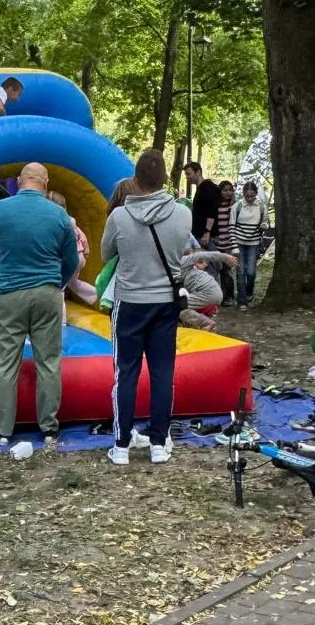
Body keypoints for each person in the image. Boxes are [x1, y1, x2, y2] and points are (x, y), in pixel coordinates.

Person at [0, 162, 79, 445]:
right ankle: (49, 429)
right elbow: (71, 260)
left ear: (20, 181)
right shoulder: (59, 214)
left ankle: (3, 432)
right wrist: (57, 283)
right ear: (45, 182)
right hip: (47, 293)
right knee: (49, 362)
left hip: (9, 293)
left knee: (7, 363)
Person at [100, 149, 191, 466]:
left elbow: (106, 254)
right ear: (165, 178)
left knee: (125, 373)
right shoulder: (183, 214)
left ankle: (121, 445)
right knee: (163, 374)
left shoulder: (119, 217)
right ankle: (158, 443)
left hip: (129, 302)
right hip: (165, 302)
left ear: (135, 179)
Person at [48, 191, 97, 307]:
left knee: (58, 286)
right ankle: (96, 293)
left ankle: (61, 316)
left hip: (69, 257)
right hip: (80, 256)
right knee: (72, 282)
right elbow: (83, 239)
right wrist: (85, 254)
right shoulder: (73, 224)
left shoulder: (57, 223)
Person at [232, 181, 269, 308]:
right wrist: (234, 246)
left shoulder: (261, 206)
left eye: (252, 196)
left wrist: (264, 226)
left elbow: (265, 221)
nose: (249, 199)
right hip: (239, 242)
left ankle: (249, 292)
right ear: (243, 194)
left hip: (253, 243)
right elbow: (231, 227)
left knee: (251, 272)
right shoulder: (237, 206)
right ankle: (242, 300)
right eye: (247, 196)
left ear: (256, 194)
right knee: (240, 272)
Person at [184, 161, 220, 249]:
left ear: (198, 172)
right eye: (186, 175)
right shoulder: (201, 188)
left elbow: (212, 212)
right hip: (200, 234)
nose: (187, 177)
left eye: (189, 174)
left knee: (209, 257)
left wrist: (207, 232)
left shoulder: (207, 188)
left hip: (206, 237)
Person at [213, 180, 237, 305]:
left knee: (227, 271)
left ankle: (229, 297)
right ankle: (218, 296)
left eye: (230, 190)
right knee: (217, 270)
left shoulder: (234, 206)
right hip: (217, 242)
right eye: (225, 190)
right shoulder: (215, 206)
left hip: (229, 243)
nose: (228, 193)